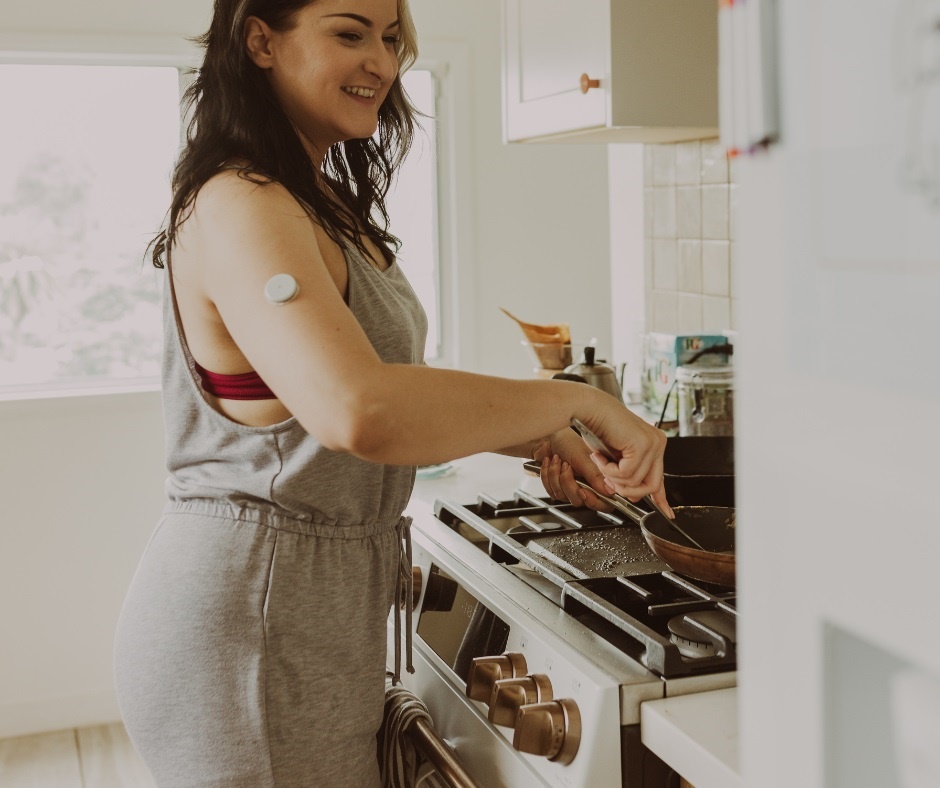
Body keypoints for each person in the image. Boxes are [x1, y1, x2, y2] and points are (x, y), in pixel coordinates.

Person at [113, 0, 672, 785]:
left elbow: (372, 396)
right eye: (349, 33)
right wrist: (569, 401)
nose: (380, 61)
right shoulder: (243, 202)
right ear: (260, 39)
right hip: (251, 621)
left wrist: (538, 436)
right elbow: (358, 410)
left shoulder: (314, 200)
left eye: (389, 37)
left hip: (308, 609)